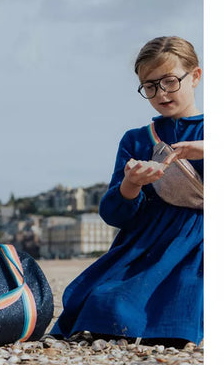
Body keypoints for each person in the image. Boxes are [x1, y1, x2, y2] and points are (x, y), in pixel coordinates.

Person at [51, 36, 203, 348]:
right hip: (146, 244)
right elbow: (113, 214)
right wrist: (131, 184)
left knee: (186, 293)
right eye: (150, 86)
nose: (161, 94)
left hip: (200, 240)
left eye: (170, 81)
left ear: (195, 76)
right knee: (106, 301)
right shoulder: (136, 139)